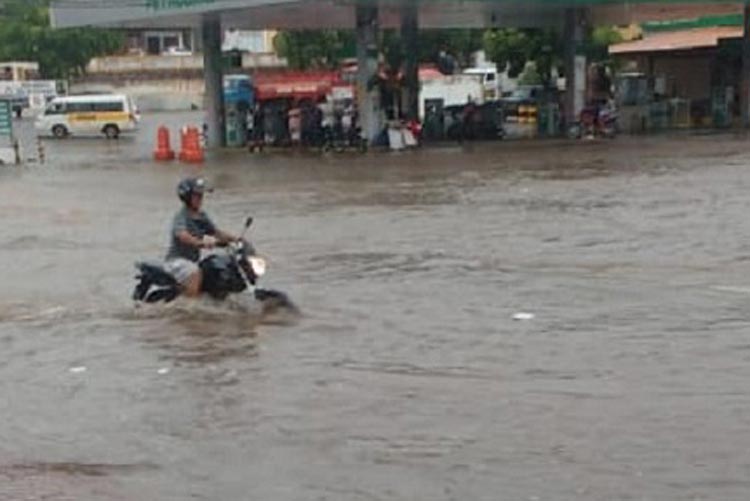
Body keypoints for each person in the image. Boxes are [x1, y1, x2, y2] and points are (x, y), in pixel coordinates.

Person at [165, 177, 239, 298]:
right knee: (195, 272)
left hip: (192, 261)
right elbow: (182, 235)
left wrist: (236, 239)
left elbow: (216, 232)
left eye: (201, 196)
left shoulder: (201, 216)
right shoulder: (181, 216)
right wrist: (200, 243)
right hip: (176, 261)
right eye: (196, 196)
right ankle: (191, 307)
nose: (200, 199)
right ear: (187, 197)